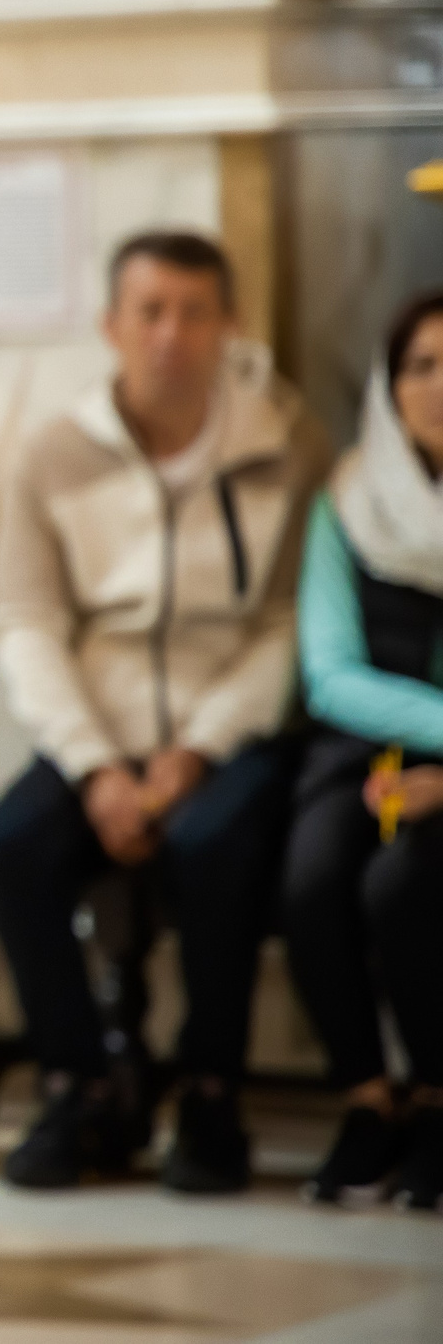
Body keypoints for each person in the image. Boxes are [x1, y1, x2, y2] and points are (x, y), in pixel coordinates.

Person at [0, 229, 325, 1193]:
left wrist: (200, 751)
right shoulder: (52, 453)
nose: (171, 334)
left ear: (229, 325)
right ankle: (79, 1089)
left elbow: (288, 621)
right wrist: (96, 766)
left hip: (234, 731)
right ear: (111, 325)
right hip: (99, 729)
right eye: (151, 311)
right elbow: (25, 621)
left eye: (194, 311)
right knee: (14, 841)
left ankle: (211, 1094)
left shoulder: (283, 443)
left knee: (216, 844)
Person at [283, 292, 443, 1210]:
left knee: (405, 886)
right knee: (313, 878)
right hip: (362, 750)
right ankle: (367, 1099)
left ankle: (437, 1095)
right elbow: (331, 673)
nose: (437, 385)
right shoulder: (348, 500)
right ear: (389, 384)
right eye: (417, 365)